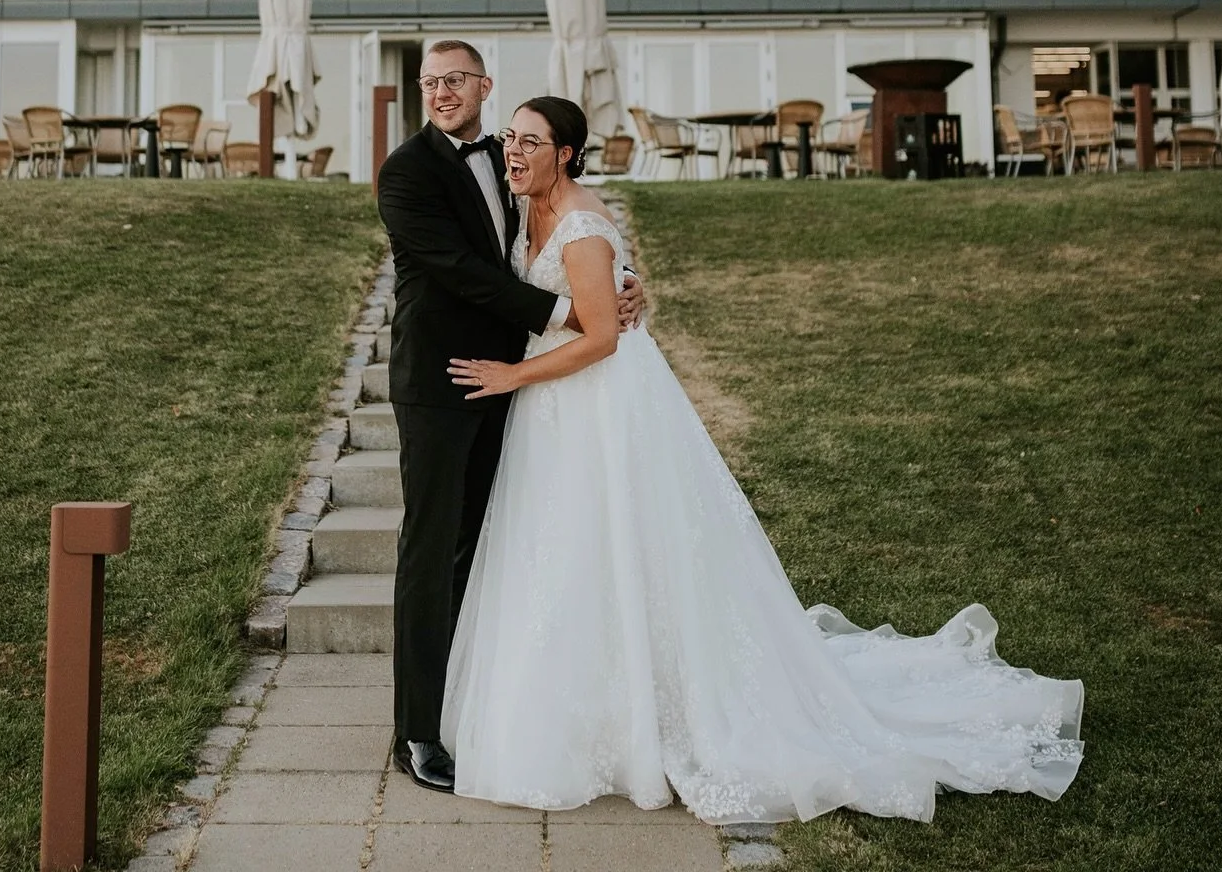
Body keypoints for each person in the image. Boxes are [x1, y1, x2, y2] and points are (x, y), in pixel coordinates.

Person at [442, 94, 1085, 824]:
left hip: (592, 399)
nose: (515, 151)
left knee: (611, 545)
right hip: (560, 413)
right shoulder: (526, 207)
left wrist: (510, 376)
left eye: (531, 141)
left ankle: (653, 717)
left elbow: (600, 338)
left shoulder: (582, 226)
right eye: (511, 138)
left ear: (566, 153)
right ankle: (582, 705)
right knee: (566, 554)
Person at [375, 42, 644, 792]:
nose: (440, 93)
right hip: (440, 382)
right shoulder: (406, 172)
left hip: (513, 384)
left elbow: (574, 231)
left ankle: (468, 707)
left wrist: (624, 288)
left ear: (483, 85)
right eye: (429, 83)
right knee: (428, 555)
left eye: (454, 80)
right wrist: (576, 314)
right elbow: (456, 271)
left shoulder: (510, 156)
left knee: (483, 548)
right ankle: (416, 733)